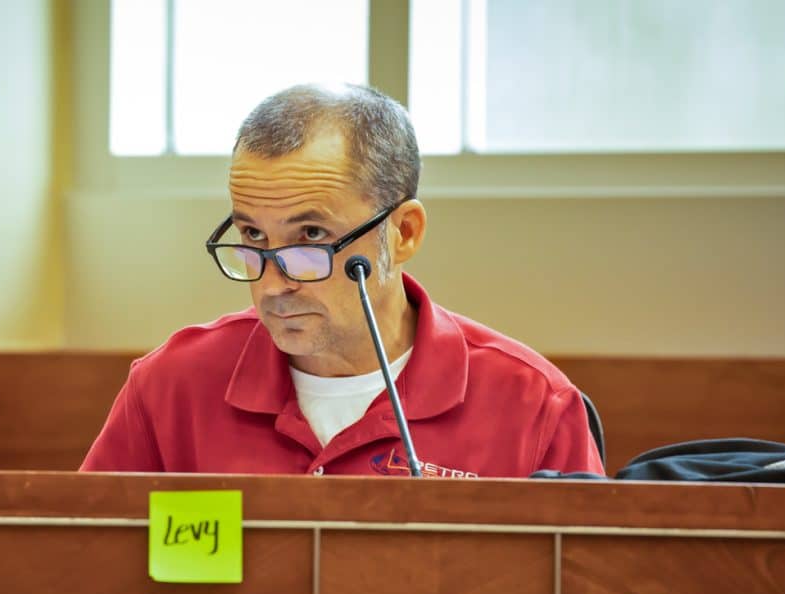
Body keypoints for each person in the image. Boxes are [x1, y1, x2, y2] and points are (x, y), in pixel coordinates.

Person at [80, 83, 604, 478]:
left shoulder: (533, 405)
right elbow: (83, 578)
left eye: (310, 235)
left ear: (404, 233)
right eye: (254, 237)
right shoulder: (170, 389)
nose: (273, 284)